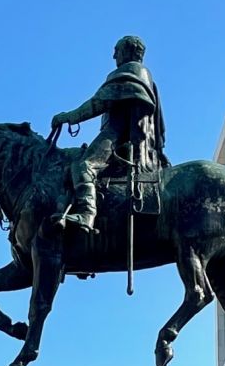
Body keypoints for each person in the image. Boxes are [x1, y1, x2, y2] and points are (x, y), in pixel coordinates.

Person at [50, 35, 167, 232]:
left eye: (117, 51)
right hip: (133, 137)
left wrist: (67, 117)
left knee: (84, 165)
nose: (114, 56)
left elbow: (97, 104)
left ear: (128, 51)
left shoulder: (128, 71)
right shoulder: (146, 76)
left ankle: (86, 214)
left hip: (118, 135)